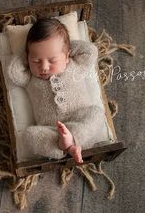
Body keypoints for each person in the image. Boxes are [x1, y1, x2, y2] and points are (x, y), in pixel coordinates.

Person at [7, 18, 107, 164]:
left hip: (80, 118)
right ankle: (62, 145)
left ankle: (72, 140)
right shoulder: (29, 78)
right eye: (36, 61)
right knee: (29, 135)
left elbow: (90, 51)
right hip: (51, 130)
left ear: (67, 56)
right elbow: (12, 71)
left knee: (97, 113)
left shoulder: (75, 65)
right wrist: (28, 53)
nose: (44, 67)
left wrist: (65, 47)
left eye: (52, 60)